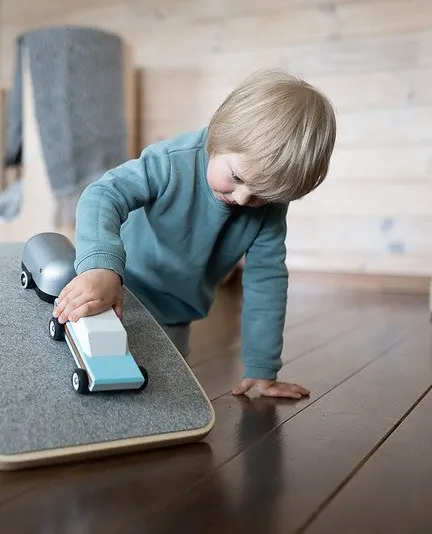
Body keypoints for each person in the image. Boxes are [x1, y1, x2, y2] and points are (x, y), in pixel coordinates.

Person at [52, 68, 337, 400]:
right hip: (115, 287)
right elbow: (103, 195)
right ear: (220, 134)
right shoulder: (172, 162)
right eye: (238, 177)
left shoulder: (268, 211)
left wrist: (262, 368)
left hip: (176, 313)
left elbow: (266, 283)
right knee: (83, 369)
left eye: (264, 195)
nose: (244, 199)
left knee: (157, 394)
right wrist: (99, 267)